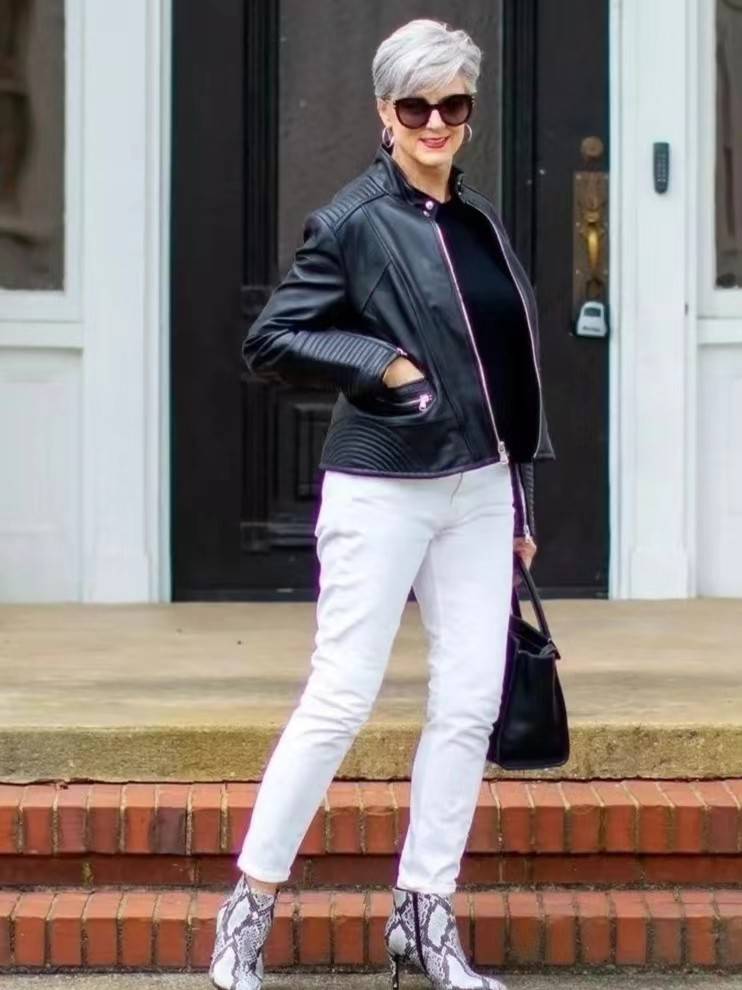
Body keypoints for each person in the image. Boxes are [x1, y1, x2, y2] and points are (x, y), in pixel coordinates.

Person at [209, 17, 556, 990]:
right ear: (384, 112)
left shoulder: (479, 222)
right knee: (340, 698)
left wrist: (521, 505)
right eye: (416, 105)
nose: (435, 121)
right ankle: (248, 911)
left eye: (453, 103)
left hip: (479, 490)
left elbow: (507, 373)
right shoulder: (353, 220)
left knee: (469, 702)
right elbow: (273, 338)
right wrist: (384, 365)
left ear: (469, 111)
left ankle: (423, 915)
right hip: (382, 486)